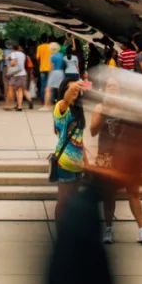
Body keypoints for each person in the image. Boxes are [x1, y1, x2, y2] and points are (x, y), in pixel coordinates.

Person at [91, 81, 142, 246]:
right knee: (109, 195)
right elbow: (93, 131)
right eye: (109, 86)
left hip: (126, 155)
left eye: (115, 86)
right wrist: (104, 113)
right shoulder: (99, 107)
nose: (113, 88)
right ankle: (108, 228)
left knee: (134, 192)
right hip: (107, 156)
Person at [52, 79, 87, 221]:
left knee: (73, 202)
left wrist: (87, 162)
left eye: (76, 90)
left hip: (78, 164)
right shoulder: (61, 107)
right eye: (70, 88)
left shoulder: (78, 110)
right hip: (64, 163)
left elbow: (80, 139)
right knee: (63, 201)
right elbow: (65, 100)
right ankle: (61, 234)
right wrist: (72, 88)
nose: (74, 91)